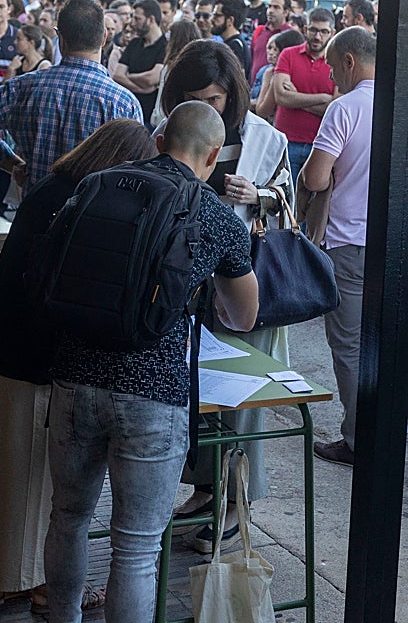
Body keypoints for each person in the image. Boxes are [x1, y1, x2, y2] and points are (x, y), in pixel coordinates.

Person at [44, 101, 259, 623]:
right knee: (136, 549)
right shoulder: (214, 215)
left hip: (74, 375)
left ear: (159, 142)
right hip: (153, 391)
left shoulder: (97, 184)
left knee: (68, 519)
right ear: (213, 155)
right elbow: (244, 315)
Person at [0, 119, 154, 616]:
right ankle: (43, 587)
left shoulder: (51, 185)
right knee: (36, 484)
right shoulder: (85, 202)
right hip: (29, 355)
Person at [158, 40, 291, 553]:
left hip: (243, 288)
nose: (205, 108)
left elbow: (292, 203)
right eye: (193, 99)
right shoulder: (169, 132)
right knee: (194, 393)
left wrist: (259, 195)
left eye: (213, 99)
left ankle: (239, 502)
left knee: (242, 398)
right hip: (185, 289)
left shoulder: (265, 139)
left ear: (231, 95)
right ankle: (205, 489)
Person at [305, 28, 408, 464]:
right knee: (387, 341)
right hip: (395, 244)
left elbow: (316, 178)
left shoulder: (344, 108)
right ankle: (389, 429)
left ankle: (360, 439)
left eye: (333, 67)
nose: (332, 77)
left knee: (350, 346)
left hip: (348, 241)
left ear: (350, 61)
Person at [0, 0, 143, 191]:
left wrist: (11, 163)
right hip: (94, 208)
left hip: (36, 203)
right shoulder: (123, 103)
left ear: (59, 37)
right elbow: (133, 175)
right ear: (104, 37)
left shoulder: (24, 87)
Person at [274, 8, 337, 181]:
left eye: (323, 32)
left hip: (321, 146)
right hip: (286, 142)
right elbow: (281, 97)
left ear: (332, 33)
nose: (317, 36)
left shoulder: (336, 62)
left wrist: (295, 97)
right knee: (286, 196)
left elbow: (333, 108)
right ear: (305, 29)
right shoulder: (288, 55)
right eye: (313, 30)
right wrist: (322, 98)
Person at [110, 0, 166, 124]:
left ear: (151, 20)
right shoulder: (134, 44)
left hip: (151, 117)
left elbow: (152, 78)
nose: (133, 23)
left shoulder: (165, 46)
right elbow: (117, 75)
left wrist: (128, 76)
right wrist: (142, 89)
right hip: (129, 114)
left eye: (137, 19)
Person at [252, 28, 304, 121]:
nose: (272, 53)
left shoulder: (283, 74)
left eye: (276, 50)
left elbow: (263, 110)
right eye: (270, 48)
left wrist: (296, 97)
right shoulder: (268, 72)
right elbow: (261, 110)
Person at [250, 0, 293, 84]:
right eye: (269, 6)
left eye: (276, 7)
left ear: (286, 12)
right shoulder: (259, 31)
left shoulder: (291, 36)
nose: (271, 11)